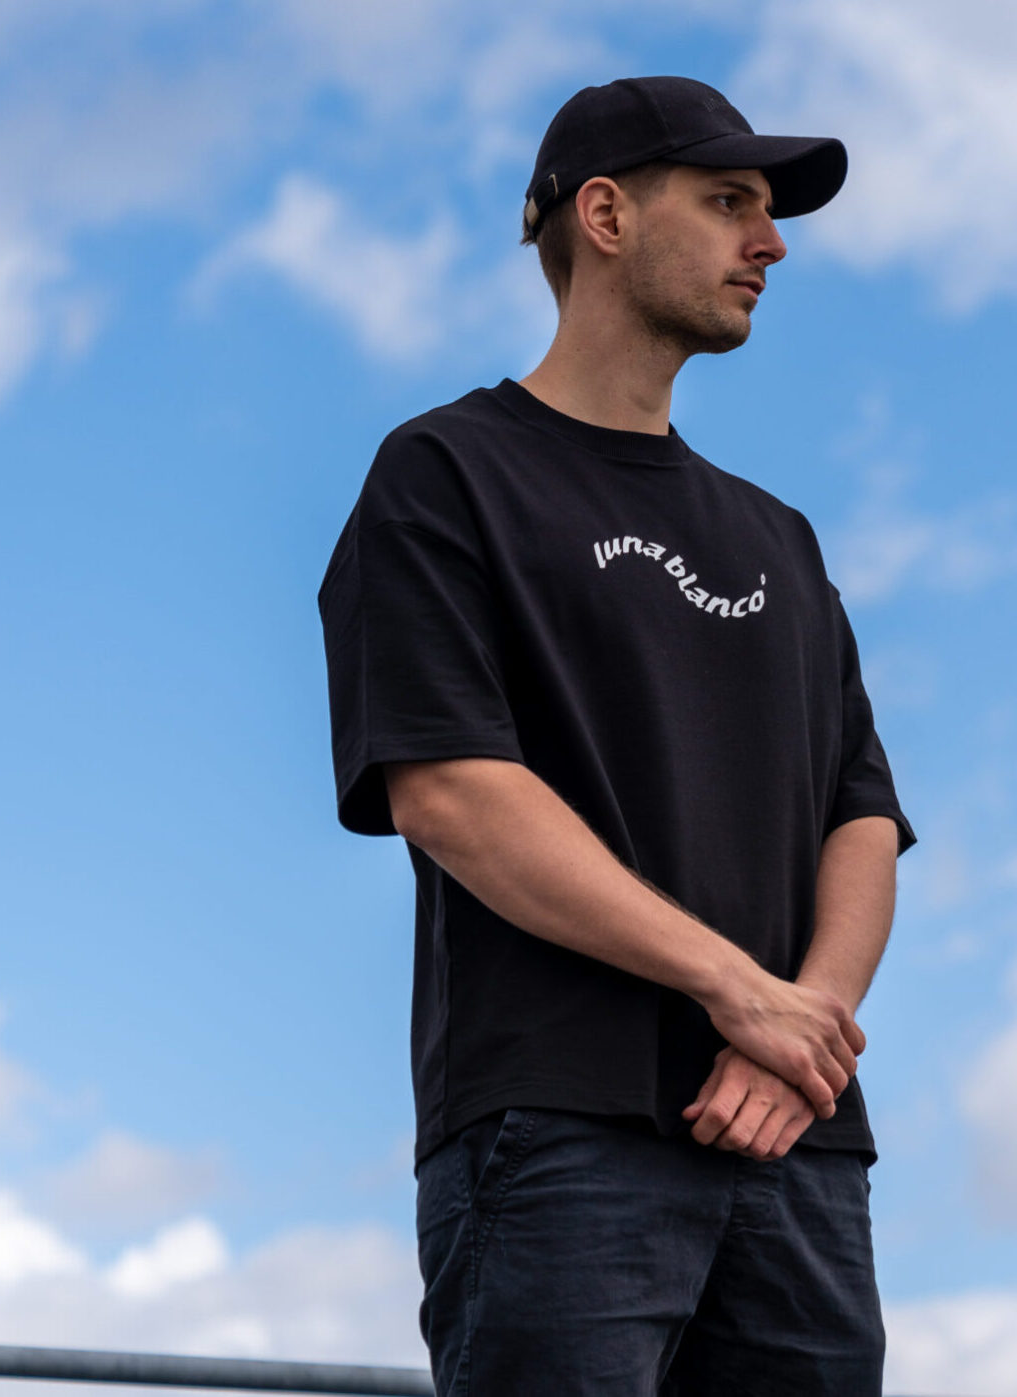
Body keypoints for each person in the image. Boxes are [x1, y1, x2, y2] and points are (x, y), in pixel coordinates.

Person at [319, 74, 914, 1396]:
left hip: (795, 1141)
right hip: (561, 1131)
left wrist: (803, 1028)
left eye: (768, 212)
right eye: (729, 202)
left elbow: (862, 816)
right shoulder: (447, 475)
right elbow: (452, 793)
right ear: (604, 216)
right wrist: (738, 991)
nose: (771, 243)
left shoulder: (780, 537)